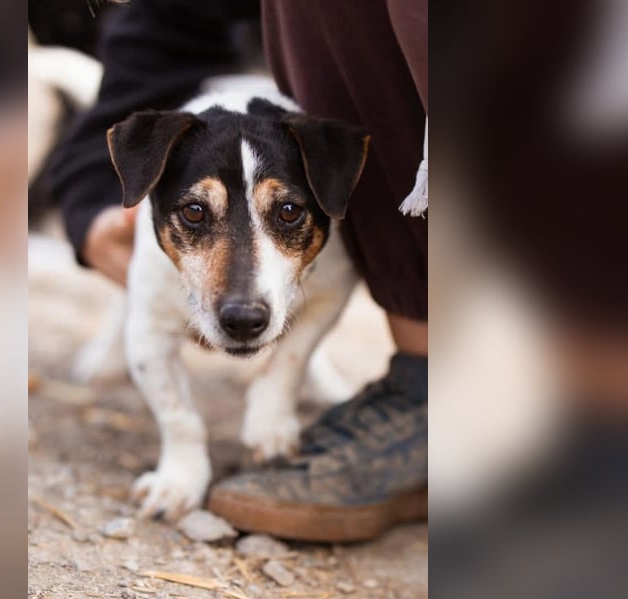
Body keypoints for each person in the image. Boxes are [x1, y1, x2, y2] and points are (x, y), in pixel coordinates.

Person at [44, 0, 427, 541]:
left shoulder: (321, 160)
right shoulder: (161, 165)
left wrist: (280, 384)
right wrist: (182, 446)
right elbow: (151, 339)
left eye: (288, 213)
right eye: (197, 215)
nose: (240, 295)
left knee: (301, 299)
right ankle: (186, 449)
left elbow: (329, 290)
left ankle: (416, 393)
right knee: (145, 315)